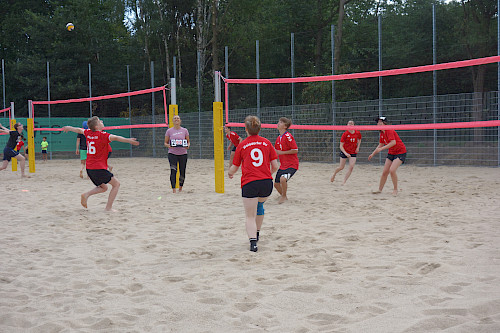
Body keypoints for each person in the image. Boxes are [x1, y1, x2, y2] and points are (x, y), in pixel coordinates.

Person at [62, 116, 139, 211]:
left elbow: (78, 130)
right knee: (116, 184)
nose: (102, 121)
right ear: (97, 127)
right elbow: (116, 137)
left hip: (89, 168)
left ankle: (86, 195)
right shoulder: (103, 135)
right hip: (98, 168)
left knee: (103, 187)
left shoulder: (88, 133)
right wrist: (129, 140)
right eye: (99, 121)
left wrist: (69, 128)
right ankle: (108, 208)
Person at [228, 115, 279, 252]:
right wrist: (267, 174)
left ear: (246, 129)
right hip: (266, 183)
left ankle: (253, 243)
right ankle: (256, 234)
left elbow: (234, 167)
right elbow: (275, 166)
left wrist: (229, 173)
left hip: (250, 183)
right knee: (260, 205)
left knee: (249, 215)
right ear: (259, 128)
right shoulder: (267, 142)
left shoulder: (242, 145)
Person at [368, 116, 407, 196]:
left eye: (380, 122)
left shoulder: (389, 130)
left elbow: (393, 143)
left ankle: (395, 190)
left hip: (400, 152)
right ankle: (379, 190)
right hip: (392, 153)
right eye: (378, 122)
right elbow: (380, 144)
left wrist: (381, 149)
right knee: (385, 172)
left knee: (392, 170)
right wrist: (373, 154)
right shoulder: (382, 133)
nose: (378, 124)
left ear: (385, 123)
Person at [274, 117, 299, 204]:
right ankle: (284, 196)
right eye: (279, 121)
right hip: (283, 165)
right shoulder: (278, 138)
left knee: (283, 179)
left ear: (285, 126)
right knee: (276, 184)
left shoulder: (288, 136)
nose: (278, 123)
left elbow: (295, 150)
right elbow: (276, 152)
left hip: (292, 164)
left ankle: (283, 196)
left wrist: (282, 152)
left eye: (281, 122)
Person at [330, 120, 362, 185]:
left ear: (354, 125)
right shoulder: (345, 134)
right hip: (345, 151)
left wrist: (358, 147)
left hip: (353, 152)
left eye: (352, 124)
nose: (350, 125)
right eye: (349, 124)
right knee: (341, 167)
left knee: (351, 167)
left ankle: (344, 181)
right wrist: (346, 153)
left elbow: (359, 139)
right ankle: (334, 174)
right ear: (347, 125)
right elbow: (341, 146)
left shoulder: (357, 133)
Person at [164, 115, 190, 193]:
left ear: (180, 120)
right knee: (173, 171)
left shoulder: (184, 130)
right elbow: (165, 143)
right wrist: (169, 146)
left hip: (183, 153)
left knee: (182, 171)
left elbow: (188, 142)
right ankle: (174, 189)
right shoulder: (169, 131)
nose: (176, 119)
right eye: (175, 118)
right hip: (172, 153)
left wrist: (187, 146)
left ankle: (180, 188)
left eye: (178, 118)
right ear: (172, 121)